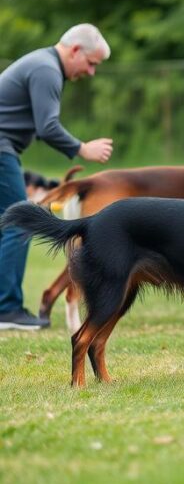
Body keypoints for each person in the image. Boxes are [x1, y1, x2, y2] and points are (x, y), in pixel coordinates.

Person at [0, 24, 113, 330]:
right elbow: (47, 126)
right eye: (91, 63)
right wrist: (83, 148)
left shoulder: (41, 64)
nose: (91, 72)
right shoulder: (46, 69)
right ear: (75, 50)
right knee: (18, 220)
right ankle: (7, 309)